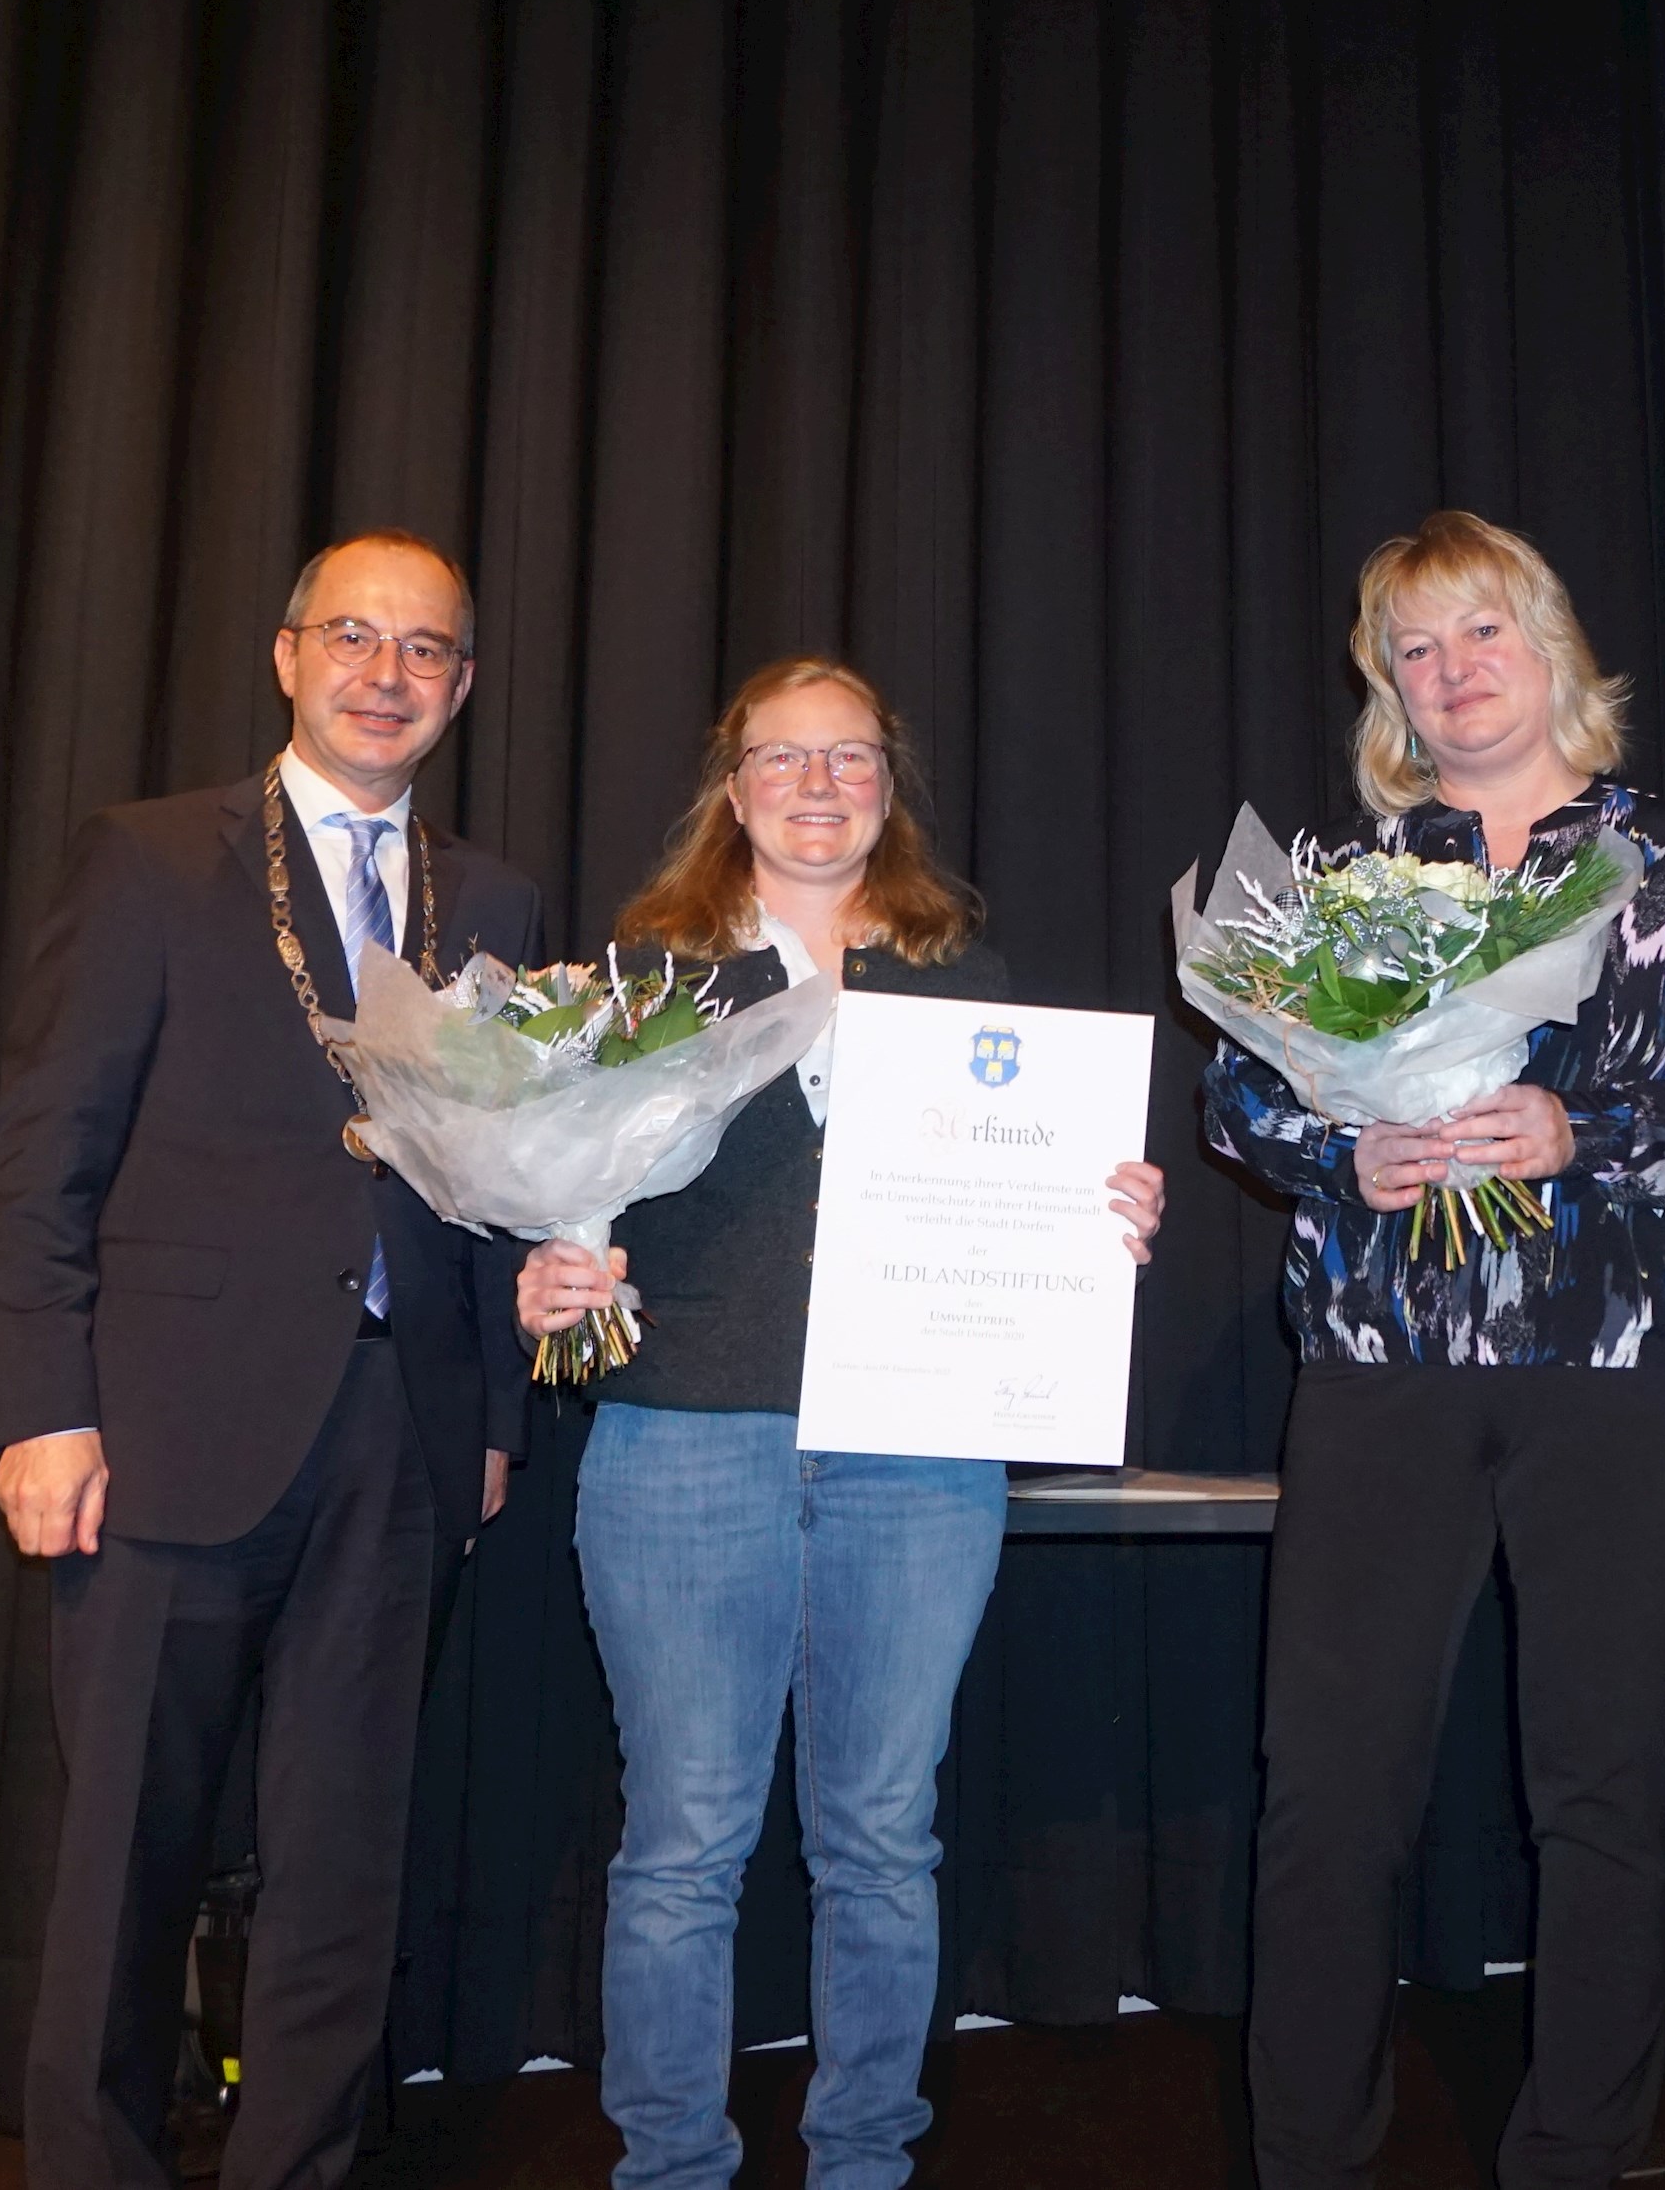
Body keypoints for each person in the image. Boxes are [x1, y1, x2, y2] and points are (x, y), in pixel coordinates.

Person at [510, 658, 1163, 2190]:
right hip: (683, 1441)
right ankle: (669, 2168)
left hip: (918, 1451)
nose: (818, 785)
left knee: (883, 1842)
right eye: (783, 759)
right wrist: (552, 1262)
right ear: (731, 787)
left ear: (889, 784)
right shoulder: (645, 974)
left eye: (850, 758)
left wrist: (1099, 1214)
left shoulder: (966, 978)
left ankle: (865, 2159)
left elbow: (1022, 1189)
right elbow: (567, 1199)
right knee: (683, 1848)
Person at [0, 531, 543, 2190]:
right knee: (127, 1863)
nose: (387, 674)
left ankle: (298, 2166)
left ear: (462, 688)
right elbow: (39, 1159)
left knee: (346, 1860)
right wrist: (45, 1408)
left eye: (425, 650)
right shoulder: (149, 862)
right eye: (353, 638)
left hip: (404, 1432)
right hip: (165, 1432)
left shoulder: (491, 900)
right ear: (286, 657)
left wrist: (493, 1415)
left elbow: (502, 1187)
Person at [1204, 512, 1665, 2190]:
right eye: (1414, 652)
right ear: (1387, 686)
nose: (1450, 676)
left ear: (1550, 645)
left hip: (1619, 1366)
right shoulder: (1338, 877)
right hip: (1385, 1358)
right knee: (1330, 1788)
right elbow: (1239, 1091)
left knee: (1603, 1787)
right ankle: (1306, 2152)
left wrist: (1577, 1131)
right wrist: (1332, 1152)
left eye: (1480, 637)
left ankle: (1577, 2152)